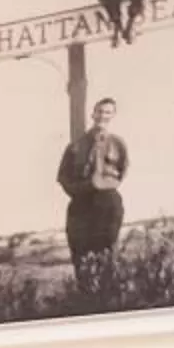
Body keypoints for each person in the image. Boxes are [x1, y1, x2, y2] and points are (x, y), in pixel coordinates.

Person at [55, 98, 131, 302]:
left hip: (107, 201)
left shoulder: (117, 143)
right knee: (80, 251)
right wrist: (80, 190)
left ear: (112, 116)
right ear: (93, 114)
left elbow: (124, 170)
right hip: (81, 202)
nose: (103, 116)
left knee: (107, 249)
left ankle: (109, 297)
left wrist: (106, 185)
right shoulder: (76, 146)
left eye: (108, 113)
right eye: (99, 112)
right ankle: (85, 298)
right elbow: (63, 177)